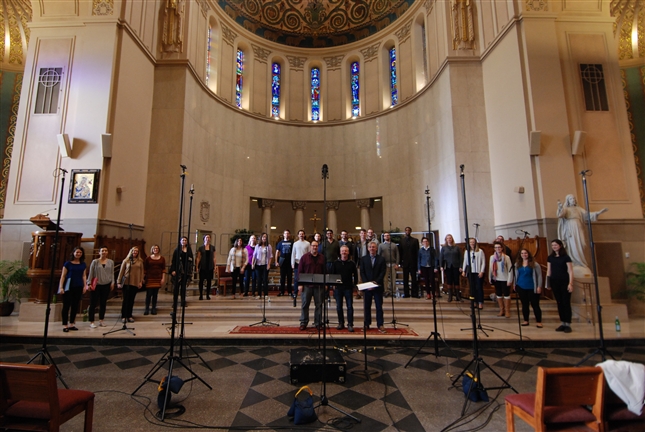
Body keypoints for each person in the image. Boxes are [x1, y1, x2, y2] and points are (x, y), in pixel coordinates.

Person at [557, 194, 608, 269]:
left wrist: (598, 213)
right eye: (571, 199)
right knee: (573, 244)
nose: (573, 200)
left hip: (579, 227)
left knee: (582, 244)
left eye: (574, 199)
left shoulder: (578, 209)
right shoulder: (566, 209)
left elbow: (587, 215)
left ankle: (581, 262)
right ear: (568, 201)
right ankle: (574, 262)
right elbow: (560, 215)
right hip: (570, 228)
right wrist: (560, 207)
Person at [546, 239, 574, 333]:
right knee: (559, 302)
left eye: (556, 245)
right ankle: (562, 323)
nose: (554, 247)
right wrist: (548, 283)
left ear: (560, 246)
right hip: (554, 282)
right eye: (552, 245)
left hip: (564, 281)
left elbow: (570, 271)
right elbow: (549, 271)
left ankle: (568, 324)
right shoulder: (550, 257)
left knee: (566, 302)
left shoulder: (566, 257)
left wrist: (571, 283)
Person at [510, 248, 543, 327]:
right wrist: (515, 284)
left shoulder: (535, 264)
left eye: (525, 253)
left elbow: (539, 276)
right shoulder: (517, 264)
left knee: (535, 305)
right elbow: (516, 275)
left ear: (528, 254)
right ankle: (526, 320)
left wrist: (539, 286)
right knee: (524, 305)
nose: (524, 255)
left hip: (532, 287)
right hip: (521, 286)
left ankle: (538, 321)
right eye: (522, 253)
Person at [298, 240, 326, 330]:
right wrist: (300, 284)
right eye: (313, 246)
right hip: (306, 285)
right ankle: (303, 322)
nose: (315, 247)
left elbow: (325, 271)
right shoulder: (304, 257)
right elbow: (300, 272)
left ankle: (318, 322)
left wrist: (325, 284)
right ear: (310, 247)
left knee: (319, 305)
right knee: (305, 304)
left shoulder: (322, 258)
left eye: (316, 246)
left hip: (319, 286)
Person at [58, 247, 87, 332]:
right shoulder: (68, 264)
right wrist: (61, 287)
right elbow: (63, 276)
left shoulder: (83, 264)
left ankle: (72, 324)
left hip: (78, 286)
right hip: (68, 286)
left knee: (75, 306)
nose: (78, 254)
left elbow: (84, 275)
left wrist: (85, 286)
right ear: (73, 253)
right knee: (66, 306)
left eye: (80, 252)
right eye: (77, 252)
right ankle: (65, 325)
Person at [360, 241, 387, 333]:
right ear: (368, 248)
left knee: (379, 306)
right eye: (370, 247)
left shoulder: (381, 259)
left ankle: (380, 324)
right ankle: (366, 324)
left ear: (376, 248)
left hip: (378, 286)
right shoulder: (363, 259)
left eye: (373, 247)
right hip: (367, 287)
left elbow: (383, 272)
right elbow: (362, 272)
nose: (372, 248)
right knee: (367, 306)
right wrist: (368, 283)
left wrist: (375, 283)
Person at [87, 246, 114, 328]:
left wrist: (113, 282)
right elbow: (91, 273)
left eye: (106, 250)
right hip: (96, 284)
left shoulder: (111, 262)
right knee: (93, 303)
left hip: (106, 284)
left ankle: (101, 320)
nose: (104, 252)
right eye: (102, 250)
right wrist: (89, 283)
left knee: (103, 303)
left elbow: (112, 273)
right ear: (99, 252)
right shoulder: (95, 262)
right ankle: (91, 321)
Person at [333, 245, 358, 332]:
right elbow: (332, 274)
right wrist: (333, 284)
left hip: (348, 287)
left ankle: (350, 324)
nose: (344, 252)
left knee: (350, 306)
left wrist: (355, 285)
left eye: (345, 251)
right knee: (339, 307)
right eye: (342, 251)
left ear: (348, 252)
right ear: (340, 252)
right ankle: (341, 322)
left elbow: (355, 275)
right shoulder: (336, 263)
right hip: (338, 288)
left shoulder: (352, 263)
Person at [117, 246, 145, 323]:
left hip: (135, 282)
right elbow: (121, 271)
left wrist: (140, 281)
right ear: (131, 251)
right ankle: (123, 316)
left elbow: (142, 272)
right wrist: (119, 281)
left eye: (136, 251)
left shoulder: (140, 261)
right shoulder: (126, 260)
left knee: (131, 300)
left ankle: (129, 315)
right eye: (133, 251)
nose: (135, 252)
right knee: (126, 300)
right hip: (126, 282)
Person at [488, 241, 512, 317]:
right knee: (498, 294)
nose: (498, 248)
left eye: (499, 247)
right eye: (496, 247)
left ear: (502, 248)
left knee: (506, 294)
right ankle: (502, 310)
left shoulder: (506, 257)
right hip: (496, 278)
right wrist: (490, 277)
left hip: (505, 278)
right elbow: (490, 268)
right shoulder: (492, 257)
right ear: (494, 249)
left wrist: (510, 280)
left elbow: (510, 269)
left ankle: (507, 311)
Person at [461, 238, 486, 308]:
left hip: (478, 272)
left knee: (479, 287)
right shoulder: (467, 252)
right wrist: (463, 270)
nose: (472, 243)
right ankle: (474, 302)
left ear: (475, 243)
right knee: (472, 287)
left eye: (473, 242)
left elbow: (483, 262)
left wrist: (482, 271)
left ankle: (480, 302)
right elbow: (465, 261)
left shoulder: (480, 251)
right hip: (470, 272)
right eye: (470, 242)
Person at [170, 236, 193, 307]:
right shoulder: (177, 250)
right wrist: (173, 270)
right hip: (178, 271)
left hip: (186, 271)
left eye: (185, 240)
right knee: (176, 288)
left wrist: (190, 270)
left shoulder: (189, 250)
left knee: (183, 288)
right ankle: (175, 302)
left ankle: (183, 301)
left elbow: (191, 260)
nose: (184, 241)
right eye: (183, 240)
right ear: (180, 241)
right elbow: (173, 261)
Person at [143, 244, 166, 315]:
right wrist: (143, 278)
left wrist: (163, 278)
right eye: (154, 248)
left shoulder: (162, 258)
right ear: (152, 250)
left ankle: (153, 308)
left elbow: (163, 269)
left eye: (157, 248)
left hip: (158, 278)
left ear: (158, 250)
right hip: (149, 278)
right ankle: (147, 308)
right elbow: (145, 269)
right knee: (149, 294)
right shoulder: (148, 258)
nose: (155, 250)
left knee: (155, 294)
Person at [440, 234, 462, 302]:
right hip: (448, 266)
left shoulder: (456, 247)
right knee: (449, 281)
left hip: (456, 266)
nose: (449, 239)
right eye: (447, 238)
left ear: (452, 239)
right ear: (446, 240)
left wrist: (461, 266)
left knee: (456, 280)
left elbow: (460, 257)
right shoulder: (444, 248)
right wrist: (441, 266)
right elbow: (441, 257)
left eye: (450, 238)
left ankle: (458, 296)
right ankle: (450, 296)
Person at [400, 227, 420, 298]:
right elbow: (400, 252)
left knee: (414, 279)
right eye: (406, 230)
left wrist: (417, 262)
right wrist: (400, 262)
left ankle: (414, 293)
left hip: (413, 262)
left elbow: (417, 252)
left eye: (409, 230)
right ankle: (406, 293)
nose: (407, 231)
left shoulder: (415, 240)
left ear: (411, 231)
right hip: (405, 263)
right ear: (405, 231)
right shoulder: (402, 241)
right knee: (405, 279)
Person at [378, 232, 399, 297]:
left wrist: (397, 264)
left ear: (389, 236)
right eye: (385, 236)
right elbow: (379, 255)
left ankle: (393, 291)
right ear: (383, 237)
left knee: (393, 279)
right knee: (385, 279)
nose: (386, 236)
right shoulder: (381, 245)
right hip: (385, 264)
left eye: (388, 235)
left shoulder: (394, 245)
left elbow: (397, 255)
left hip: (393, 264)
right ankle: (386, 291)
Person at [252, 233, 272, 299]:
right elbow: (254, 256)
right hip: (258, 265)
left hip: (265, 265)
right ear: (261, 238)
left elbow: (270, 256)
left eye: (265, 237)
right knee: (259, 280)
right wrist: (252, 264)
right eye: (263, 237)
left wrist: (269, 264)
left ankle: (266, 294)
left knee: (265, 280)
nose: (264, 238)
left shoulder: (268, 246)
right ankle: (259, 294)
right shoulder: (257, 246)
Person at [196, 234, 216, 299]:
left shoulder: (212, 247)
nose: (208, 238)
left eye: (209, 237)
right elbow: (198, 257)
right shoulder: (201, 248)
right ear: (204, 238)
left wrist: (215, 266)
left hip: (210, 266)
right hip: (203, 266)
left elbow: (214, 257)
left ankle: (207, 295)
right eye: (206, 237)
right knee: (201, 281)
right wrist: (197, 266)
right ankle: (201, 295)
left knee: (209, 281)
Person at [291, 230, 310, 297]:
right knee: (296, 278)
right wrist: (292, 263)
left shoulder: (307, 243)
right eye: (300, 234)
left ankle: (306, 292)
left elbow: (309, 254)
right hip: (297, 262)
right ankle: (295, 293)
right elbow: (293, 254)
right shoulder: (295, 243)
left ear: (304, 235)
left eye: (302, 234)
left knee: (305, 278)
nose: (301, 235)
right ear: (298, 235)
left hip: (305, 263)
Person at [274, 230, 293, 297]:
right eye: (285, 233)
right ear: (283, 234)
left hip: (290, 262)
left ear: (289, 234)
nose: (287, 234)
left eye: (288, 233)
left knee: (289, 277)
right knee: (282, 277)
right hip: (283, 262)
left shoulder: (292, 242)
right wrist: (276, 261)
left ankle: (290, 292)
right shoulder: (280, 243)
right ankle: (282, 291)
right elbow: (277, 252)